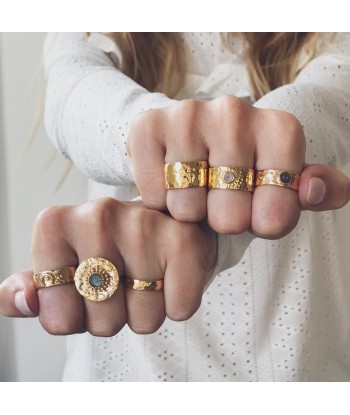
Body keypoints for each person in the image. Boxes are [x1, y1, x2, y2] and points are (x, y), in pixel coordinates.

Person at [1, 32, 350, 381]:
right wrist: (149, 131)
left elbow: (330, 101)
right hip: (127, 364)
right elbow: (73, 96)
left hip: (299, 353)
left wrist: (203, 228)